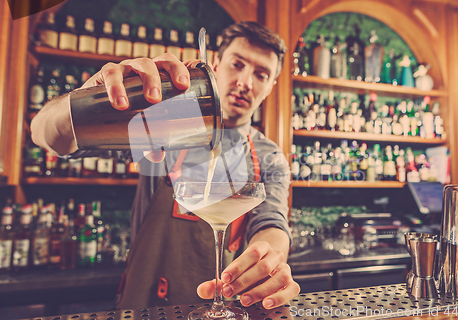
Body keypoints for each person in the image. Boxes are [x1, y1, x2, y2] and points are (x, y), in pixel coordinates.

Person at [31, 21, 300, 310]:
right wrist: (86, 103)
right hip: (146, 307)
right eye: (238, 64)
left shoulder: (269, 155)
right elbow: (46, 137)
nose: (245, 82)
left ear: (271, 86)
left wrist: (270, 255)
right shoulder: (165, 125)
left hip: (226, 307)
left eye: (261, 74)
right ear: (217, 64)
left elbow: (270, 222)